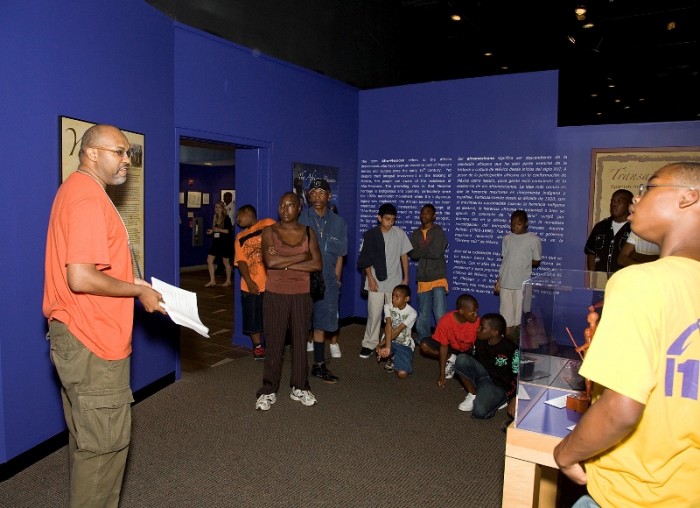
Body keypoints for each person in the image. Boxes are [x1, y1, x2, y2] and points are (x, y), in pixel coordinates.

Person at [553, 162, 700, 507]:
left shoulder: (640, 282)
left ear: (687, 198)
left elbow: (621, 409)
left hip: (630, 494)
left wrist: (566, 453)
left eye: (649, 187)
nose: (637, 199)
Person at [43, 124, 166, 507]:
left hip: (78, 335)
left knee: (90, 442)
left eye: (128, 152)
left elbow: (94, 268)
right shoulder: (86, 197)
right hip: (93, 340)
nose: (127, 159)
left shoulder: (80, 191)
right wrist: (138, 291)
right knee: (103, 451)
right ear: (92, 153)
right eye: (119, 151)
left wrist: (132, 278)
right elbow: (80, 277)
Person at [254, 192, 322, 411]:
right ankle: (268, 390)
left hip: (301, 294)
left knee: (301, 342)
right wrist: (301, 257)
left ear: (299, 208)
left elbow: (317, 265)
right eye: (281, 205)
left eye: (290, 205)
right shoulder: (269, 231)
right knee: (274, 343)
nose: (285, 209)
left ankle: (300, 387)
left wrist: (285, 263)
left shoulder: (309, 232)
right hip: (275, 294)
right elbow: (270, 261)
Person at [299, 179, 347, 383]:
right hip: (303, 278)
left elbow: (340, 255)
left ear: (329, 196)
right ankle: (299, 366)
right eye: (313, 193)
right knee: (301, 323)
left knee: (321, 324)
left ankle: (318, 365)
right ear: (309, 197)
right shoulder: (301, 219)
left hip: (327, 279)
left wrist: (336, 279)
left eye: (322, 193)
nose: (317, 197)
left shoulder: (338, 222)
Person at [357, 203, 412, 359]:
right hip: (375, 281)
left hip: (395, 283)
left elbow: (404, 256)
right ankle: (369, 344)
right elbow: (365, 259)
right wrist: (370, 278)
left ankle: (391, 344)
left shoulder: (400, 234)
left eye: (393, 219)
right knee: (374, 314)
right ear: (379, 217)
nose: (390, 222)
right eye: (387, 219)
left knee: (394, 316)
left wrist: (405, 279)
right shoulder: (371, 235)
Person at [453, 313, 518, 419]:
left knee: (479, 412)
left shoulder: (511, 349)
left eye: (482, 327)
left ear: (494, 332)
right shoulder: (479, 341)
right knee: (461, 359)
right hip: (484, 376)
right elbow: (470, 358)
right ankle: (473, 394)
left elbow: (520, 376)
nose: (477, 329)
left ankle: (500, 399)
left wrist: (516, 397)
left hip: (500, 386)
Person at [234, 204, 275, 360]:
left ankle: (273, 345)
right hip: (250, 285)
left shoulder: (268, 223)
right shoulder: (239, 237)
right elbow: (241, 261)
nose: (237, 220)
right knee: (252, 318)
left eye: (238, 216)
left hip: (271, 283)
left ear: (247, 212)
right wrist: (249, 281)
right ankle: (258, 347)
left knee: (271, 317)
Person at [494, 210, 541, 339]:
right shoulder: (507, 238)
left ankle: (517, 346)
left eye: (518, 224)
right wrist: (499, 280)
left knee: (520, 317)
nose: (515, 227)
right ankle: (507, 345)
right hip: (506, 283)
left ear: (526, 223)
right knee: (506, 315)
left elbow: (536, 261)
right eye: (512, 224)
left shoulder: (533, 239)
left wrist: (524, 262)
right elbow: (505, 261)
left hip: (522, 284)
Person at [409, 203, 448, 345]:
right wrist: (428, 249)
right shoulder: (415, 233)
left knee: (439, 312)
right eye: (422, 213)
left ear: (434, 215)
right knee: (423, 313)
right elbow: (412, 253)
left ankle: (443, 340)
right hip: (422, 278)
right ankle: (423, 339)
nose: (424, 215)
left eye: (428, 213)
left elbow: (437, 252)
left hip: (437, 277)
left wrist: (422, 250)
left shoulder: (438, 231)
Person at [419, 294, 480, 385]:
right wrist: (442, 374)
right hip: (452, 347)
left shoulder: (478, 322)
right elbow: (444, 347)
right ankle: (451, 358)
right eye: (472, 312)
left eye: (476, 311)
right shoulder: (446, 321)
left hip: (468, 351)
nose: (476, 315)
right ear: (461, 311)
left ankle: (460, 362)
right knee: (424, 345)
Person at [584, 189, 633, 275]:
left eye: (619, 202)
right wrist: (593, 276)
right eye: (613, 201)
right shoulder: (600, 227)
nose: (614, 204)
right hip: (600, 283)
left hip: (624, 282)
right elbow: (591, 253)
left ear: (629, 205)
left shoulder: (635, 229)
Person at [375, 284, 418, 378]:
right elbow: (388, 325)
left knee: (402, 374)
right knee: (382, 350)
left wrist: (384, 345)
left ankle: (395, 356)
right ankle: (391, 356)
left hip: (404, 344)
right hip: (389, 340)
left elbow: (398, 330)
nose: (393, 299)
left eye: (397, 297)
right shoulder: (387, 306)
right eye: (393, 296)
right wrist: (383, 345)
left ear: (406, 299)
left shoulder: (412, 313)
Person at [205, 201, 234, 287]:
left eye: (219, 207)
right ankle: (212, 280)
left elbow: (228, 231)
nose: (217, 209)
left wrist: (219, 230)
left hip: (225, 242)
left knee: (226, 262)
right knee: (209, 260)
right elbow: (215, 229)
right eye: (216, 207)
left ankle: (228, 280)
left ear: (222, 208)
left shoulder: (226, 218)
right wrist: (212, 231)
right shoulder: (215, 217)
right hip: (216, 242)